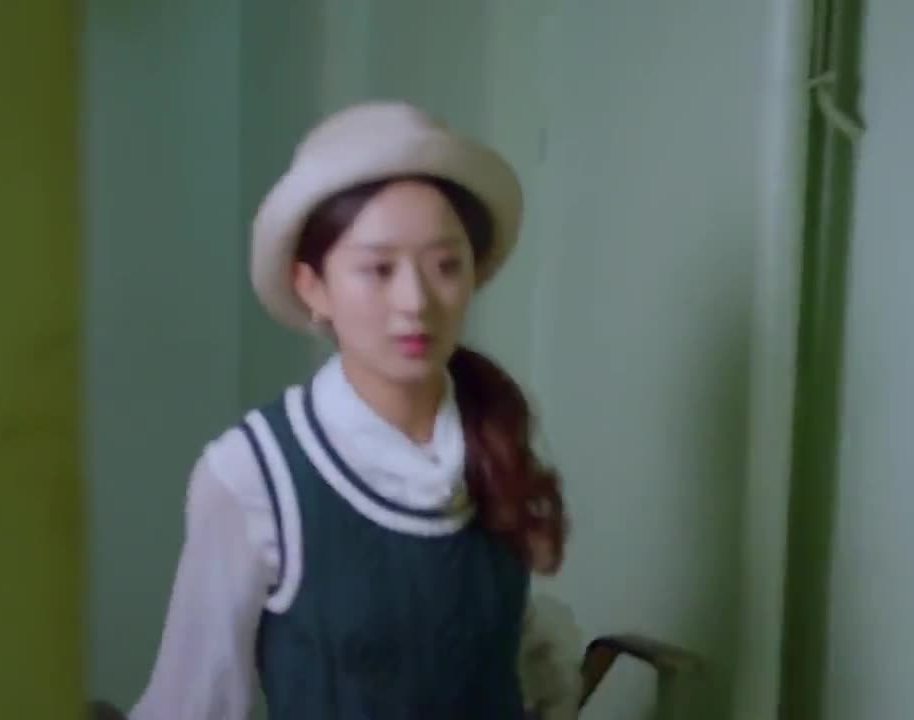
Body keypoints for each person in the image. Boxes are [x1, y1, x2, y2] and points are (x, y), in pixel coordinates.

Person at [129, 101, 580, 719]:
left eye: (445, 266)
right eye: (378, 269)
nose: (415, 301)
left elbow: (512, 647)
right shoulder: (254, 476)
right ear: (313, 287)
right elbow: (194, 703)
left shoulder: (492, 435)